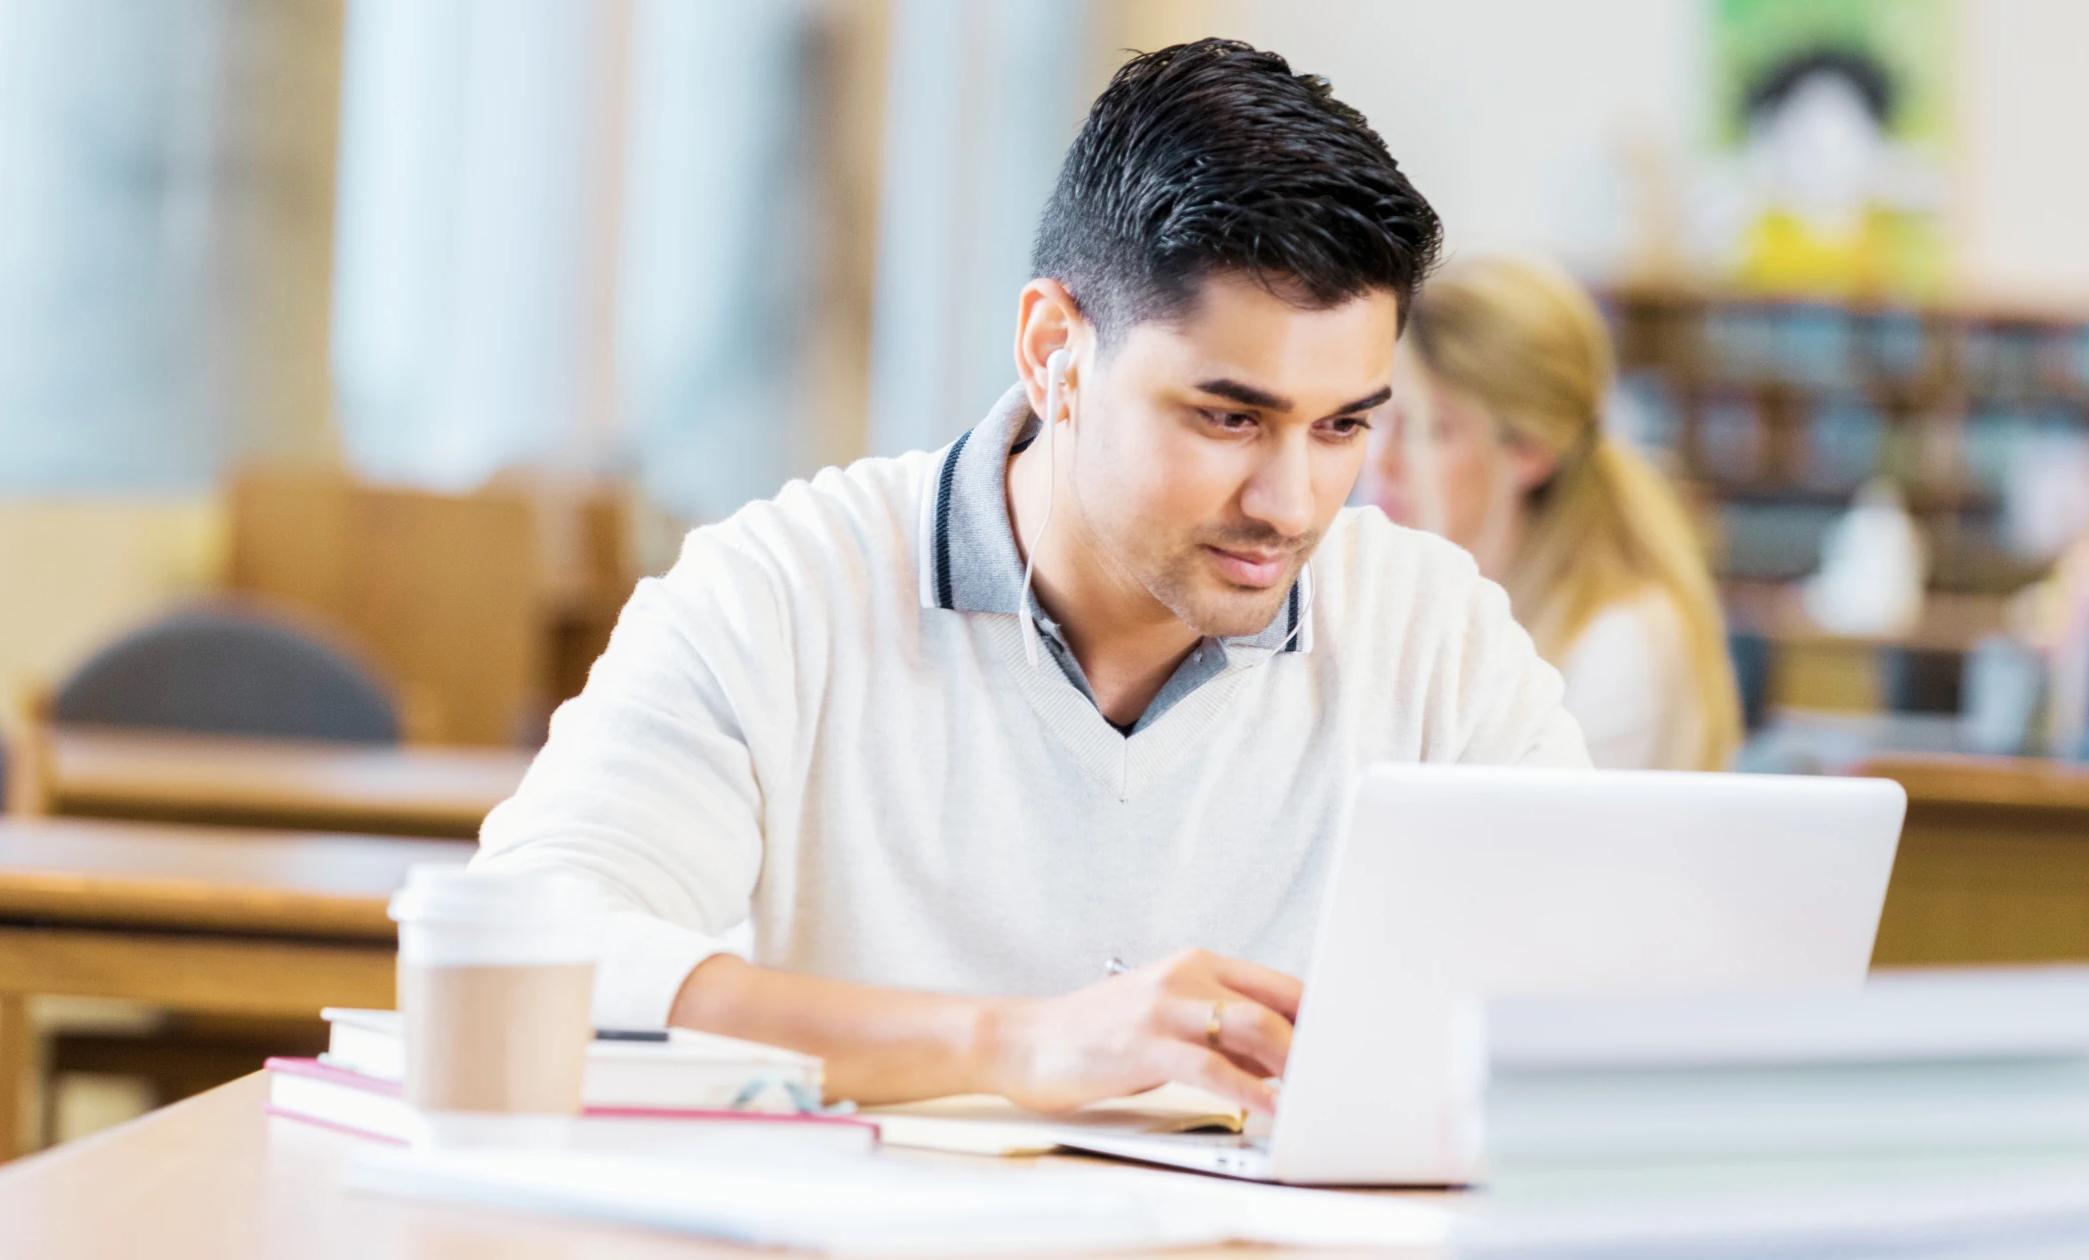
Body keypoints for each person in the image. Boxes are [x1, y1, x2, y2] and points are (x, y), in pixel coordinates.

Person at [478, 39, 1588, 1118]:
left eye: (1342, 426)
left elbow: (1598, 991)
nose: (1293, 505)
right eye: (1227, 417)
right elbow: (519, 949)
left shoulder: (1433, 635)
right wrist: (1006, 1042)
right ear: (1053, 347)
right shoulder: (781, 590)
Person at [1369, 255, 1741, 771]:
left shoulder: (1620, 641)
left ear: (1529, 449)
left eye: (1429, 430)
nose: (1381, 462)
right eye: (1370, 419)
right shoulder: (1407, 599)